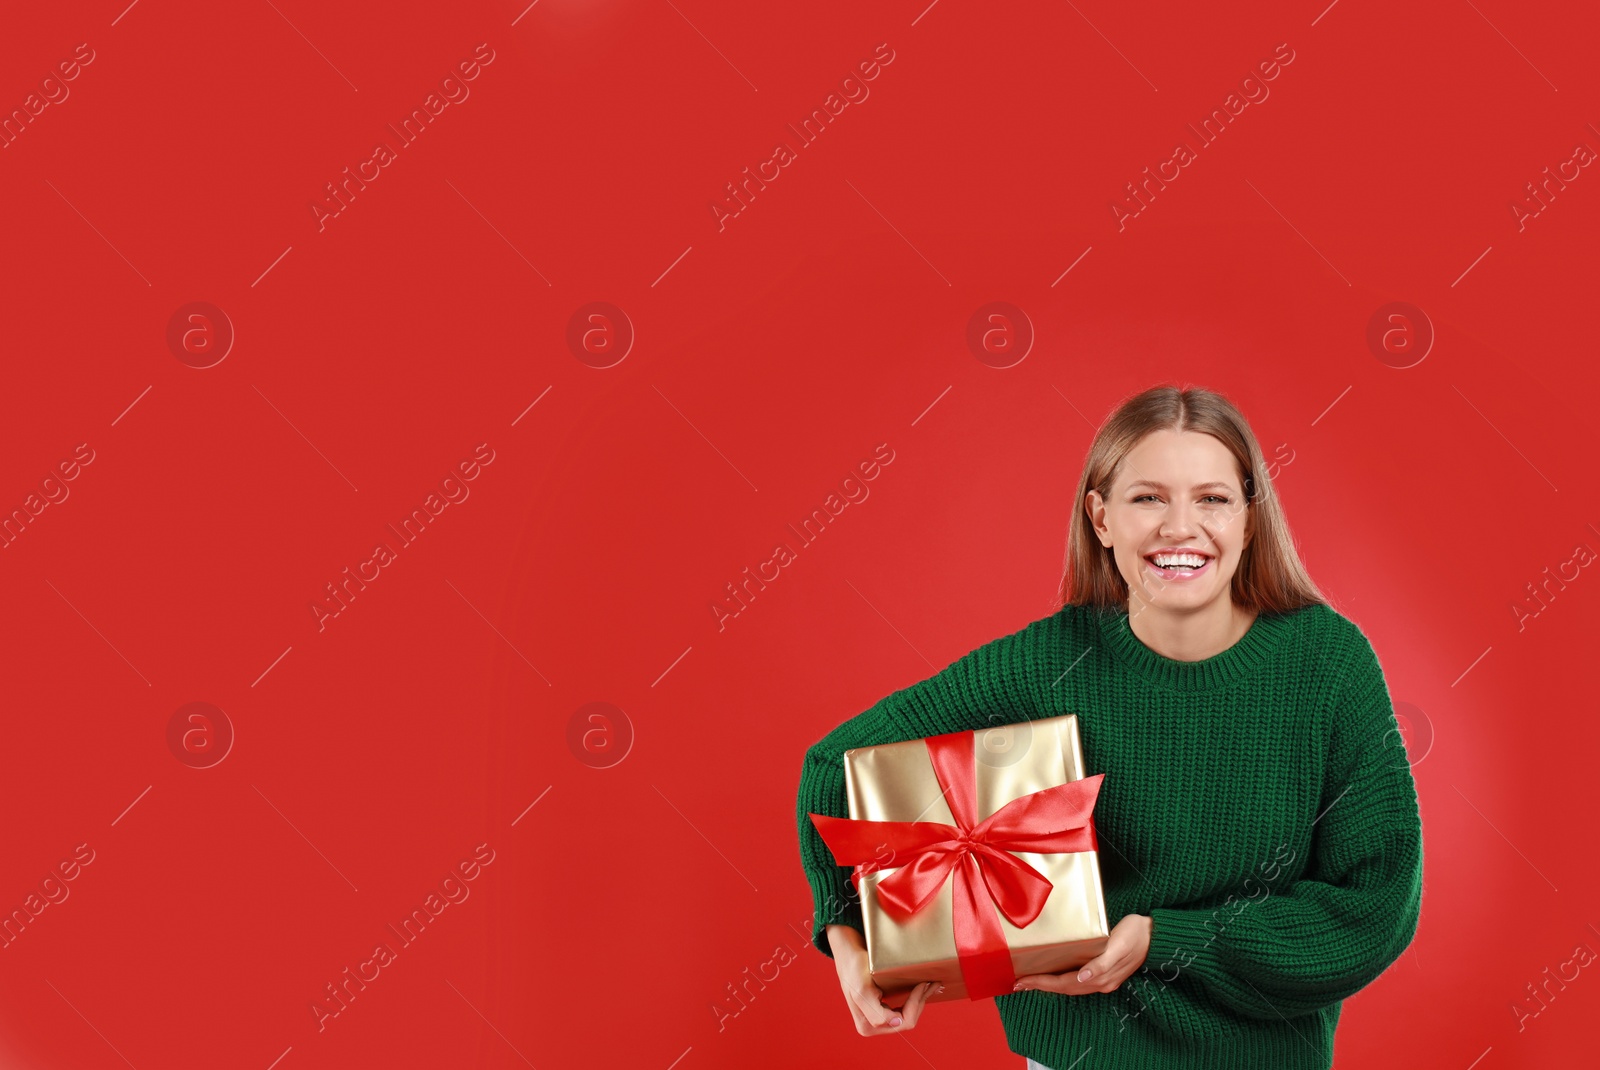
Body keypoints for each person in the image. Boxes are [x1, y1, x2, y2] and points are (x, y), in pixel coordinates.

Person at [794, 384, 1424, 1069]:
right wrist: (848, 936)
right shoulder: (1051, 662)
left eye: (1212, 499)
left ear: (1249, 519)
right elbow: (833, 766)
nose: (1180, 528)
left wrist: (1163, 940)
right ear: (1100, 518)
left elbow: (1374, 909)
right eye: (1147, 497)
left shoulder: (1327, 663)